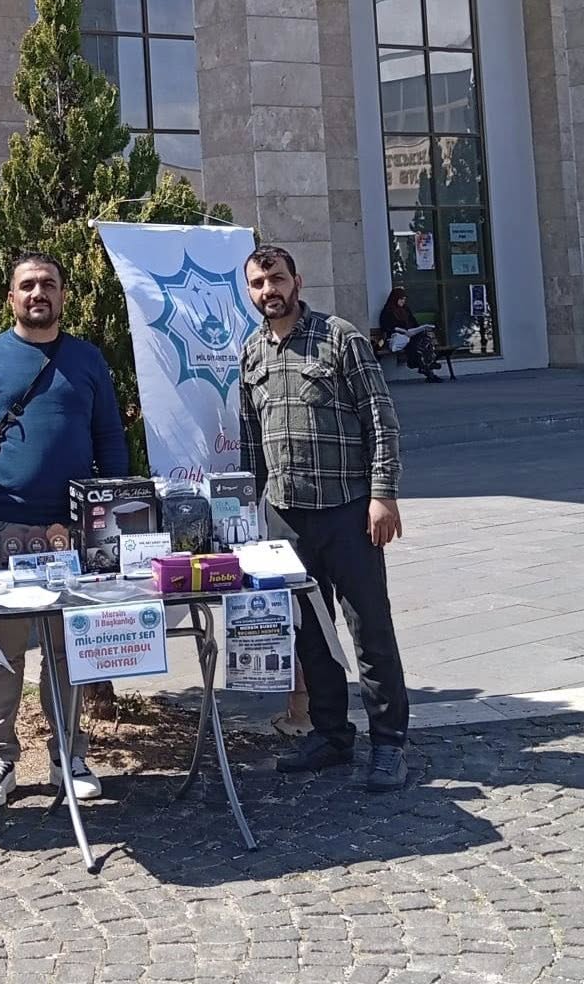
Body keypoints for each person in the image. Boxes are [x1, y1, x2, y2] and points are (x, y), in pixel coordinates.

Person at [0, 251, 129, 808]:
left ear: (63, 295)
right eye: (27, 285)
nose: (38, 293)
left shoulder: (87, 359)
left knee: (69, 650)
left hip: (71, 532)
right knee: (2, 650)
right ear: (11, 298)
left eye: (48, 283)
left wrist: (111, 520)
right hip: (1, 525)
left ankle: (67, 754)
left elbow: (110, 440)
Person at [238, 245, 411, 793]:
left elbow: (380, 420)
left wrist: (383, 495)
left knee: (369, 629)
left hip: (348, 511)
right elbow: (250, 442)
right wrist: (248, 513)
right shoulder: (251, 353)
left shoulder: (340, 338)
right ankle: (331, 735)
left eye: (277, 279)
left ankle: (389, 743)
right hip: (286, 518)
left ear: (297, 281)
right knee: (311, 633)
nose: (269, 290)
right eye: (258, 283)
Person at [378, 287, 442, 383]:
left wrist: (418, 329)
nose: (403, 301)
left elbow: (414, 323)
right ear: (395, 298)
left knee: (424, 340)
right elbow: (387, 327)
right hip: (398, 337)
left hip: (411, 336)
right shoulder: (388, 311)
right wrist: (403, 331)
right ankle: (428, 367)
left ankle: (426, 367)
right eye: (401, 299)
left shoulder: (405, 310)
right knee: (418, 344)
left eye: (404, 299)